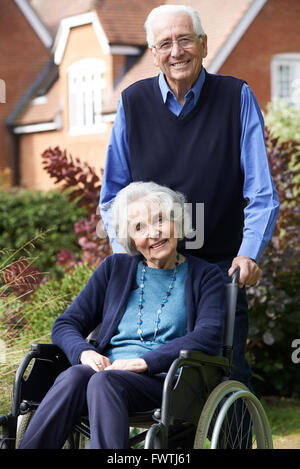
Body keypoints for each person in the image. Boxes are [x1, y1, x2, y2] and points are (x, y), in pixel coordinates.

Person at [99, 4, 279, 387]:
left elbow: (261, 191)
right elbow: (114, 195)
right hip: (152, 271)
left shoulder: (236, 96)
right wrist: (125, 257)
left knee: (227, 377)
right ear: (153, 53)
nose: (176, 51)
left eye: (185, 40)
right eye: (165, 43)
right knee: (148, 383)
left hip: (218, 269)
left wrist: (248, 252)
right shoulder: (132, 102)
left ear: (204, 44)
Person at [18, 181, 226, 449]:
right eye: (140, 227)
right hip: (106, 374)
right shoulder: (114, 268)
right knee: (74, 376)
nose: (154, 233)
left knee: (105, 381)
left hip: (168, 383)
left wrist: (144, 362)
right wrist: (85, 353)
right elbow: (66, 323)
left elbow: (207, 336)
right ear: (131, 240)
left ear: (176, 221)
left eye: (160, 220)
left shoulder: (205, 276)